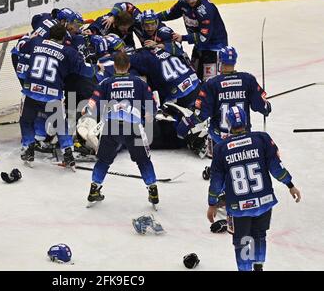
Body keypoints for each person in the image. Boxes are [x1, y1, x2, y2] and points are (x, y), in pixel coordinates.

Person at [207, 106, 301, 271]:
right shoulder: (262, 139)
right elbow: (276, 168)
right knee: (259, 236)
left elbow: (216, 181)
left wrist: (212, 203)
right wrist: (290, 185)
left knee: (242, 241)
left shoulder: (221, 148)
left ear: (228, 123)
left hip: (239, 207)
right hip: (263, 202)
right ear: (246, 120)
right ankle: (259, 267)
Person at [177, 46, 271, 175]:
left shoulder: (212, 84)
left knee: (215, 139)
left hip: (219, 136)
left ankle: (217, 168)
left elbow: (202, 114)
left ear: (219, 61)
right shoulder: (247, 79)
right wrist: (266, 108)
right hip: (243, 135)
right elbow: (261, 106)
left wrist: (186, 124)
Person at [16, 23, 99, 168]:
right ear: (63, 38)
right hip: (53, 95)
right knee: (61, 125)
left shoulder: (36, 43)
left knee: (26, 121)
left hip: (31, 92)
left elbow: (20, 48)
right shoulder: (68, 51)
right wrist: (97, 67)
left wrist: (28, 38)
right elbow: (86, 71)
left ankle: (28, 148)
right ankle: (67, 151)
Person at [83, 52, 159, 207]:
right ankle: (152, 189)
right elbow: (152, 104)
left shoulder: (106, 82)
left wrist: (87, 110)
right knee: (143, 160)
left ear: (115, 66)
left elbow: (94, 99)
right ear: (129, 66)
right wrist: (151, 115)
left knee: (103, 160)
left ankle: (94, 189)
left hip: (112, 126)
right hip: (134, 127)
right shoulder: (139, 82)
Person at [158, 0, 228, 81]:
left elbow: (203, 38)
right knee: (194, 77)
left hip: (214, 47)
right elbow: (170, 13)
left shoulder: (206, 10)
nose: (190, 1)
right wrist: (155, 18)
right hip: (199, 45)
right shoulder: (183, 3)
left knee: (209, 81)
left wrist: (183, 38)